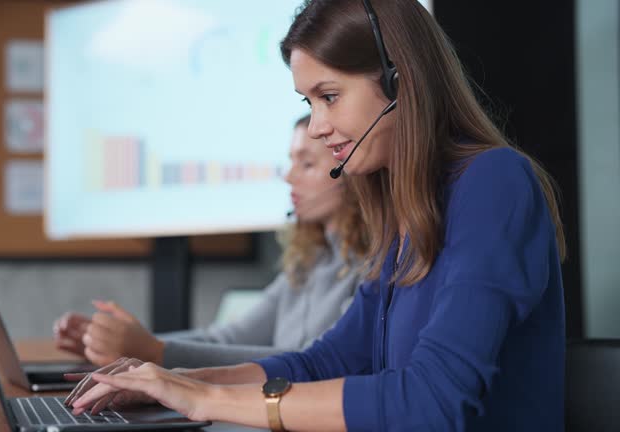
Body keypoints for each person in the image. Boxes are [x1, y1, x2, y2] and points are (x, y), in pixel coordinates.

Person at [64, 0, 567, 430]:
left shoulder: (494, 182)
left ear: (400, 83)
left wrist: (206, 401)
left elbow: (433, 401)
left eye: (329, 97)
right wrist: (177, 384)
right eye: (310, 102)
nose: (319, 127)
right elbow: (330, 361)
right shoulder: (406, 209)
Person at [53, 114, 368, 369]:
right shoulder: (309, 262)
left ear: (351, 173)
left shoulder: (371, 269)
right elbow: (225, 340)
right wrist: (123, 342)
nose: (288, 176)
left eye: (307, 164)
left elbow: (309, 364)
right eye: (292, 161)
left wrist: (153, 351)